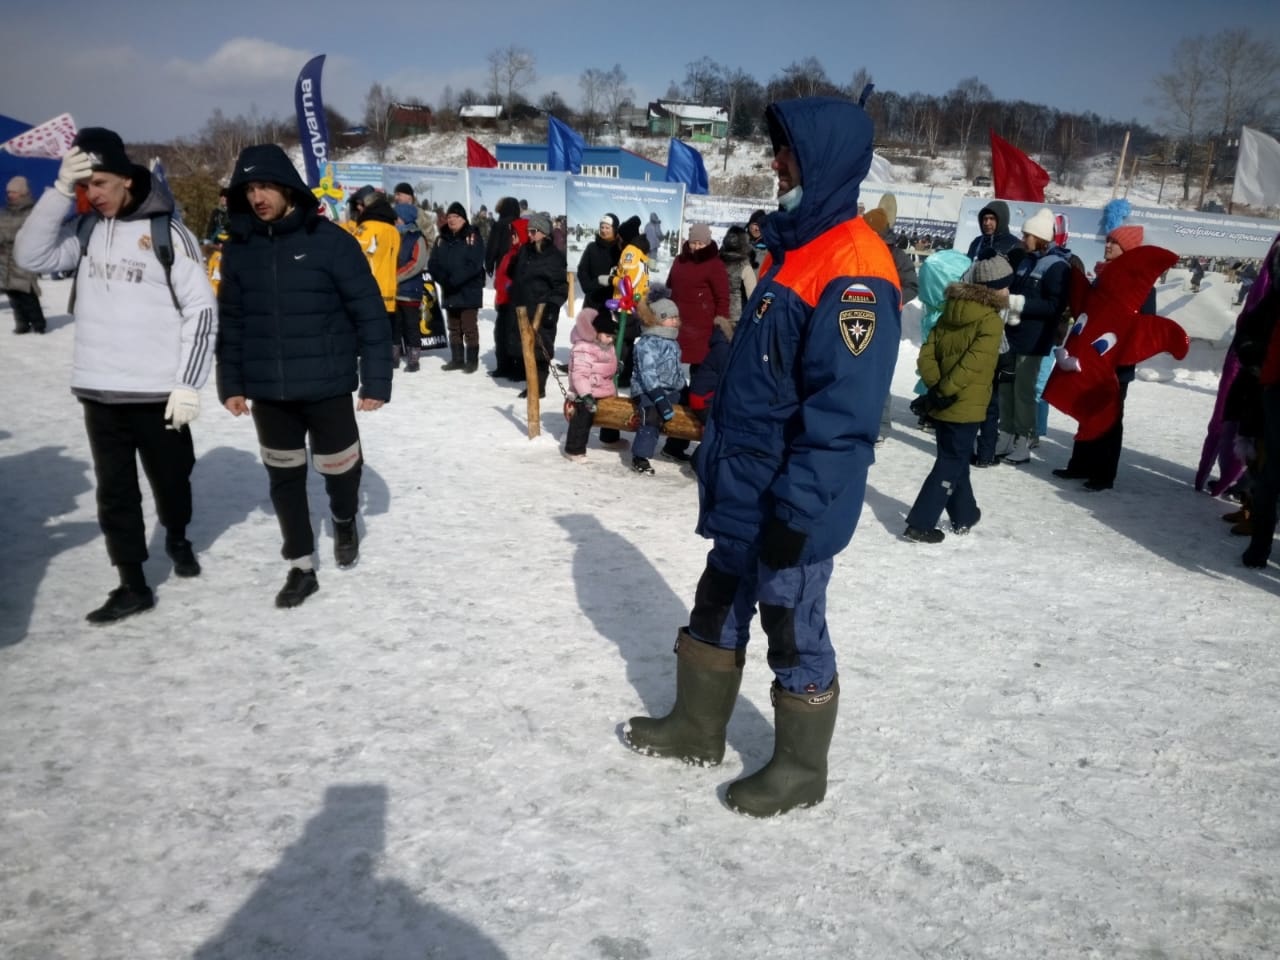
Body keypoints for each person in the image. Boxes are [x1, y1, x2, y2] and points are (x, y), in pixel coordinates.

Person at [625, 96, 901, 817]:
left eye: (787, 152)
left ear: (825, 163)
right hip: (747, 486)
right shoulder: (796, 252)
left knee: (792, 618)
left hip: (791, 500)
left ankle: (801, 769)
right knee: (717, 599)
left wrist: (800, 512)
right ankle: (696, 728)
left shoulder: (856, 271)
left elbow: (842, 418)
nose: (775, 162)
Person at [14, 127, 217, 622]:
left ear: (127, 179)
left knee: (172, 480)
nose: (94, 195)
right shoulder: (84, 231)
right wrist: (60, 191)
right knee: (115, 490)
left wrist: (188, 384)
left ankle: (176, 533)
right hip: (99, 389)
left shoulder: (171, 234)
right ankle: (132, 582)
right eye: (87, 186)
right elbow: (29, 257)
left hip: (156, 393)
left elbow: (202, 311)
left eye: (101, 183)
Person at [215, 143, 391, 609]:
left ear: (288, 188)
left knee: (340, 469)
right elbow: (231, 321)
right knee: (284, 478)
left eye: (266, 186)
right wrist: (230, 382)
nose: (258, 197)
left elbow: (370, 314)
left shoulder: (332, 242)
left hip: (327, 383)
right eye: (249, 188)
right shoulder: (239, 251)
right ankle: (300, 565)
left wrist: (375, 380)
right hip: (269, 391)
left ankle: (345, 516)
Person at [904, 255, 1008, 542]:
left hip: (942, 399)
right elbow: (974, 363)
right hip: (965, 403)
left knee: (955, 458)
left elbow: (928, 351)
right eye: (1005, 286)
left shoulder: (950, 309)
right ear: (994, 288)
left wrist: (936, 387)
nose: (1009, 293)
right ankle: (920, 523)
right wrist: (945, 390)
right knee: (950, 463)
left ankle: (965, 513)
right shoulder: (990, 321)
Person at [1051, 223, 1154, 490]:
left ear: (1128, 249)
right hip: (1092, 360)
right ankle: (1080, 465)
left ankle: (1104, 473)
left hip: (1117, 364)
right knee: (1086, 410)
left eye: (1114, 242)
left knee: (1109, 417)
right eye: (1107, 240)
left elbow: (1144, 325)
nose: (1107, 245)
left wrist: (1120, 354)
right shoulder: (1101, 277)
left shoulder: (1141, 284)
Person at [996, 207, 1070, 464]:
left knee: (1023, 392)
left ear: (1040, 237)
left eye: (1027, 234)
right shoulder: (1025, 260)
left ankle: (1023, 440)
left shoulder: (1057, 266)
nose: (1023, 238)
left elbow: (1054, 307)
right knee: (1005, 388)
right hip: (1011, 335)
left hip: (1034, 340)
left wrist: (1018, 302)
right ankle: (1005, 434)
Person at [662, 222, 729, 462]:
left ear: (709, 242)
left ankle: (706, 443)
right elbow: (671, 288)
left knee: (700, 391)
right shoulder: (680, 261)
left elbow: (723, 298)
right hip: (678, 330)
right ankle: (676, 441)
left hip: (704, 335)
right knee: (676, 384)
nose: (696, 246)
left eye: (701, 242)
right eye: (693, 242)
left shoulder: (714, 264)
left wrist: (720, 327)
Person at [1235, 233, 1280, 568]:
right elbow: (1247, 330)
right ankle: (1259, 540)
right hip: (1272, 390)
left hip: (1270, 386)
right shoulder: (1272, 300)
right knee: (1269, 470)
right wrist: (1255, 359)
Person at [505, 211, 568, 399]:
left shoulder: (554, 257)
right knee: (525, 348)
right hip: (523, 308)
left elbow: (561, 287)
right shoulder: (525, 250)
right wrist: (515, 253)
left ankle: (538, 387)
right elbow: (512, 273)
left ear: (543, 232)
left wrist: (552, 307)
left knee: (541, 351)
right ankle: (531, 383)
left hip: (543, 310)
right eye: (529, 231)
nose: (530, 235)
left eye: (534, 231)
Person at [576, 213, 623, 441]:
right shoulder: (592, 248)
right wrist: (598, 282)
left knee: (607, 367)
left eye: (608, 226)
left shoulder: (621, 250)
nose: (604, 229)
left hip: (612, 309)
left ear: (615, 229)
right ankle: (583, 415)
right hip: (593, 309)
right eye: (602, 226)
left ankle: (609, 430)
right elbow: (583, 275)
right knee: (588, 363)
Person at [628, 290, 685, 475]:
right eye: (670, 317)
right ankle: (640, 456)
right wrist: (658, 397)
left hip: (671, 388)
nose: (675, 321)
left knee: (689, 412)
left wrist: (682, 386)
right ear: (657, 319)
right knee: (651, 416)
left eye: (677, 317)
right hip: (647, 389)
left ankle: (674, 447)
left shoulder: (672, 340)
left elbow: (675, 369)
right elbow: (647, 373)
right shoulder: (647, 343)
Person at [427, 202, 486, 372]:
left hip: (468, 290)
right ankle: (457, 359)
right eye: (450, 216)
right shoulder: (441, 239)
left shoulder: (472, 236)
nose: (452, 220)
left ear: (463, 219)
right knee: (453, 327)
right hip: (449, 289)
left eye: (456, 217)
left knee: (468, 326)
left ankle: (472, 361)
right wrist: (443, 279)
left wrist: (455, 279)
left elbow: (474, 264)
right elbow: (433, 263)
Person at [563, 311, 618, 461]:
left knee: (614, 412)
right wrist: (586, 395)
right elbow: (579, 375)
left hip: (604, 388)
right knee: (583, 417)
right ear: (596, 332)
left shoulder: (607, 345)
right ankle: (574, 449)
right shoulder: (583, 347)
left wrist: (617, 367)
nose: (610, 339)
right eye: (607, 336)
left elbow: (607, 364)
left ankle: (609, 439)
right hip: (585, 392)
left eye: (613, 337)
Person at [1, 176, 46, 334]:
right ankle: (21, 323)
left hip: (22, 257)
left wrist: (8, 238)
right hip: (5, 258)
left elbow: (29, 232)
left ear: (22, 192)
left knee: (26, 293)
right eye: (8, 192)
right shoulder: (5, 211)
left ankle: (38, 323)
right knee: (12, 294)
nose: (9, 195)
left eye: (13, 192)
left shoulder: (32, 211)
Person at [491, 215, 529, 380]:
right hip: (503, 301)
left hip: (515, 303)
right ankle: (503, 366)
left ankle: (518, 369)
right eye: (511, 233)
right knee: (501, 335)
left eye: (515, 233)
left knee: (515, 338)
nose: (512, 236)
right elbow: (500, 275)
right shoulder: (509, 254)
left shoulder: (524, 255)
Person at [392, 202, 429, 372]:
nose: (395, 221)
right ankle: (394, 356)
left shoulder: (417, 237)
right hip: (394, 291)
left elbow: (417, 262)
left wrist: (396, 276)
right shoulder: (394, 235)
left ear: (405, 218)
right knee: (395, 325)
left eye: (397, 218)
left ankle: (413, 359)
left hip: (410, 290)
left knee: (411, 325)